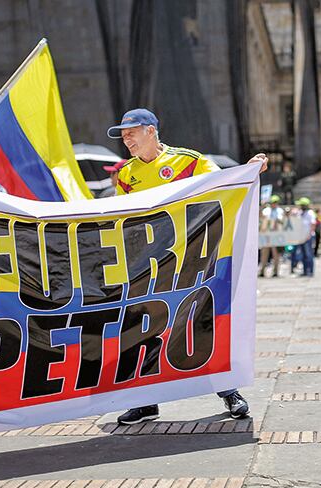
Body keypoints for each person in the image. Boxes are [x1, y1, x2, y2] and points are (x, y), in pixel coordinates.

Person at [105, 108, 268, 425]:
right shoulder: (126, 175)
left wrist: (249, 170)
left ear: (151, 131)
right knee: (147, 329)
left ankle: (229, 391)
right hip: (149, 266)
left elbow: (225, 184)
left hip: (192, 260)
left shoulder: (189, 161)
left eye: (131, 132)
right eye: (122, 135)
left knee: (200, 323)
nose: (126, 139)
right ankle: (146, 401)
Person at [259, 195, 285, 277]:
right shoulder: (266, 210)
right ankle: (262, 271)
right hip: (266, 235)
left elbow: (281, 221)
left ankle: (276, 271)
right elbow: (262, 218)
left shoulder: (280, 211)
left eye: (275, 202)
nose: (274, 204)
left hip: (275, 236)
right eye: (272, 202)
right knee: (264, 253)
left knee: (276, 254)